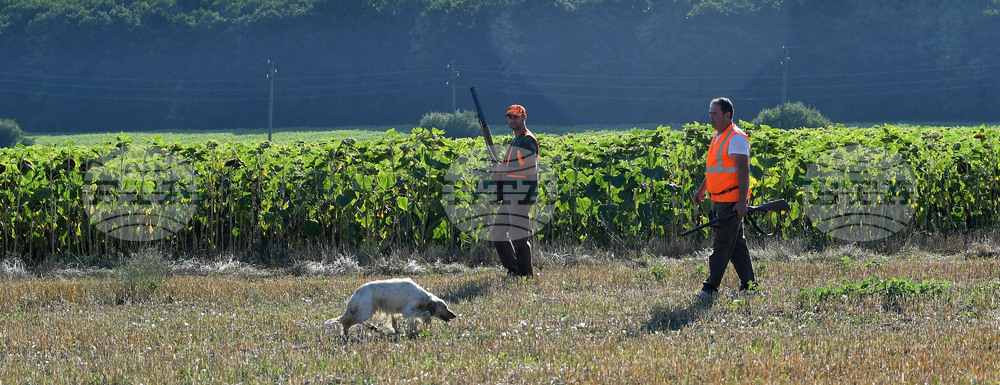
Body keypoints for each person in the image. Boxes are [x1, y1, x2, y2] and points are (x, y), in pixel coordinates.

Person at [692, 97, 756, 299]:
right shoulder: (719, 136)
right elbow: (714, 170)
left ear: (727, 115)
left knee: (721, 245)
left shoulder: (735, 137)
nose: (710, 117)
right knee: (736, 245)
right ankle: (750, 285)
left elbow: (743, 170)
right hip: (720, 200)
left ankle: (709, 288)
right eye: (710, 113)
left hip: (731, 201)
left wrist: (741, 202)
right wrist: (702, 189)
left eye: (715, 113)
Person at [491, 104, 539, 277]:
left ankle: (525, 275)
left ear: (524, 118)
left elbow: (530, 168)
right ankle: (514, 269)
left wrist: (503, 170)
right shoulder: (517, 139)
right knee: (498, 233)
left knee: (519, 237)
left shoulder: (527, 139)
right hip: (512, 193)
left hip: (521, 193)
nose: (513, 119)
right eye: (510, 116)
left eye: (516, 117)